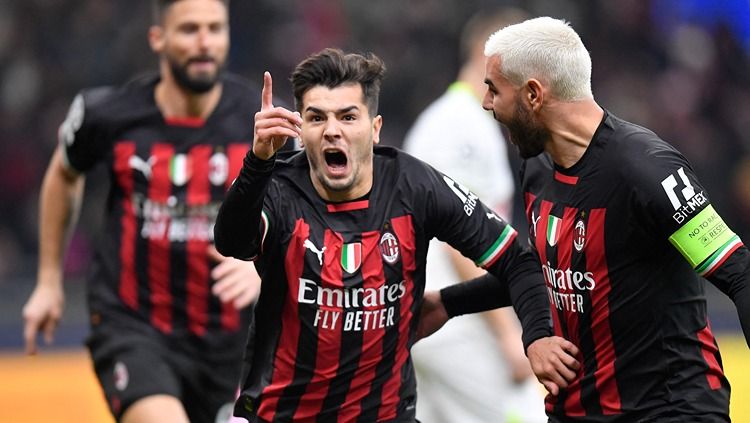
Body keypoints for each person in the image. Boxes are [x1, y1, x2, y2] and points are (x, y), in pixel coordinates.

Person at [214, 47, 580, 422]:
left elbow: (518, 261)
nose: (332, 130)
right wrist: (258, 161)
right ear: (301, 129)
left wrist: (468, 310)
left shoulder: (415, 186)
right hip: (281, 414)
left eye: (348, 116)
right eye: (316, 118)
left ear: (374, 130)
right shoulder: (277, 187)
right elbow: (231, 241)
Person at [424, 16, 750, 422]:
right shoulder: (538, 167)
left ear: (533, 95)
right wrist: (447, 303)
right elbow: (545, 267)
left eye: (494, 89)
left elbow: (738, 272)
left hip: (668, 411)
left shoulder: (649, 170)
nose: (487, 103)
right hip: (576, 410)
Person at [22, 1, 269, 421]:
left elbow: (299, 207)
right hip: (135, 327)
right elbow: (64, 174)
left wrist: (262, 266)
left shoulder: (261, 121)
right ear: (158, 39)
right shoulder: (108, 114)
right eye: (190, 29)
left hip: (234, 343)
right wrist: (48, 280)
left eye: (215, 28)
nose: (205, 42)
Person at [403, 8, 546, 423]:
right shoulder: (455, 126)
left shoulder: (468, 123)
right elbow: (456, 239)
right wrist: (508, 333)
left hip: (439, 320)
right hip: (453, 323)